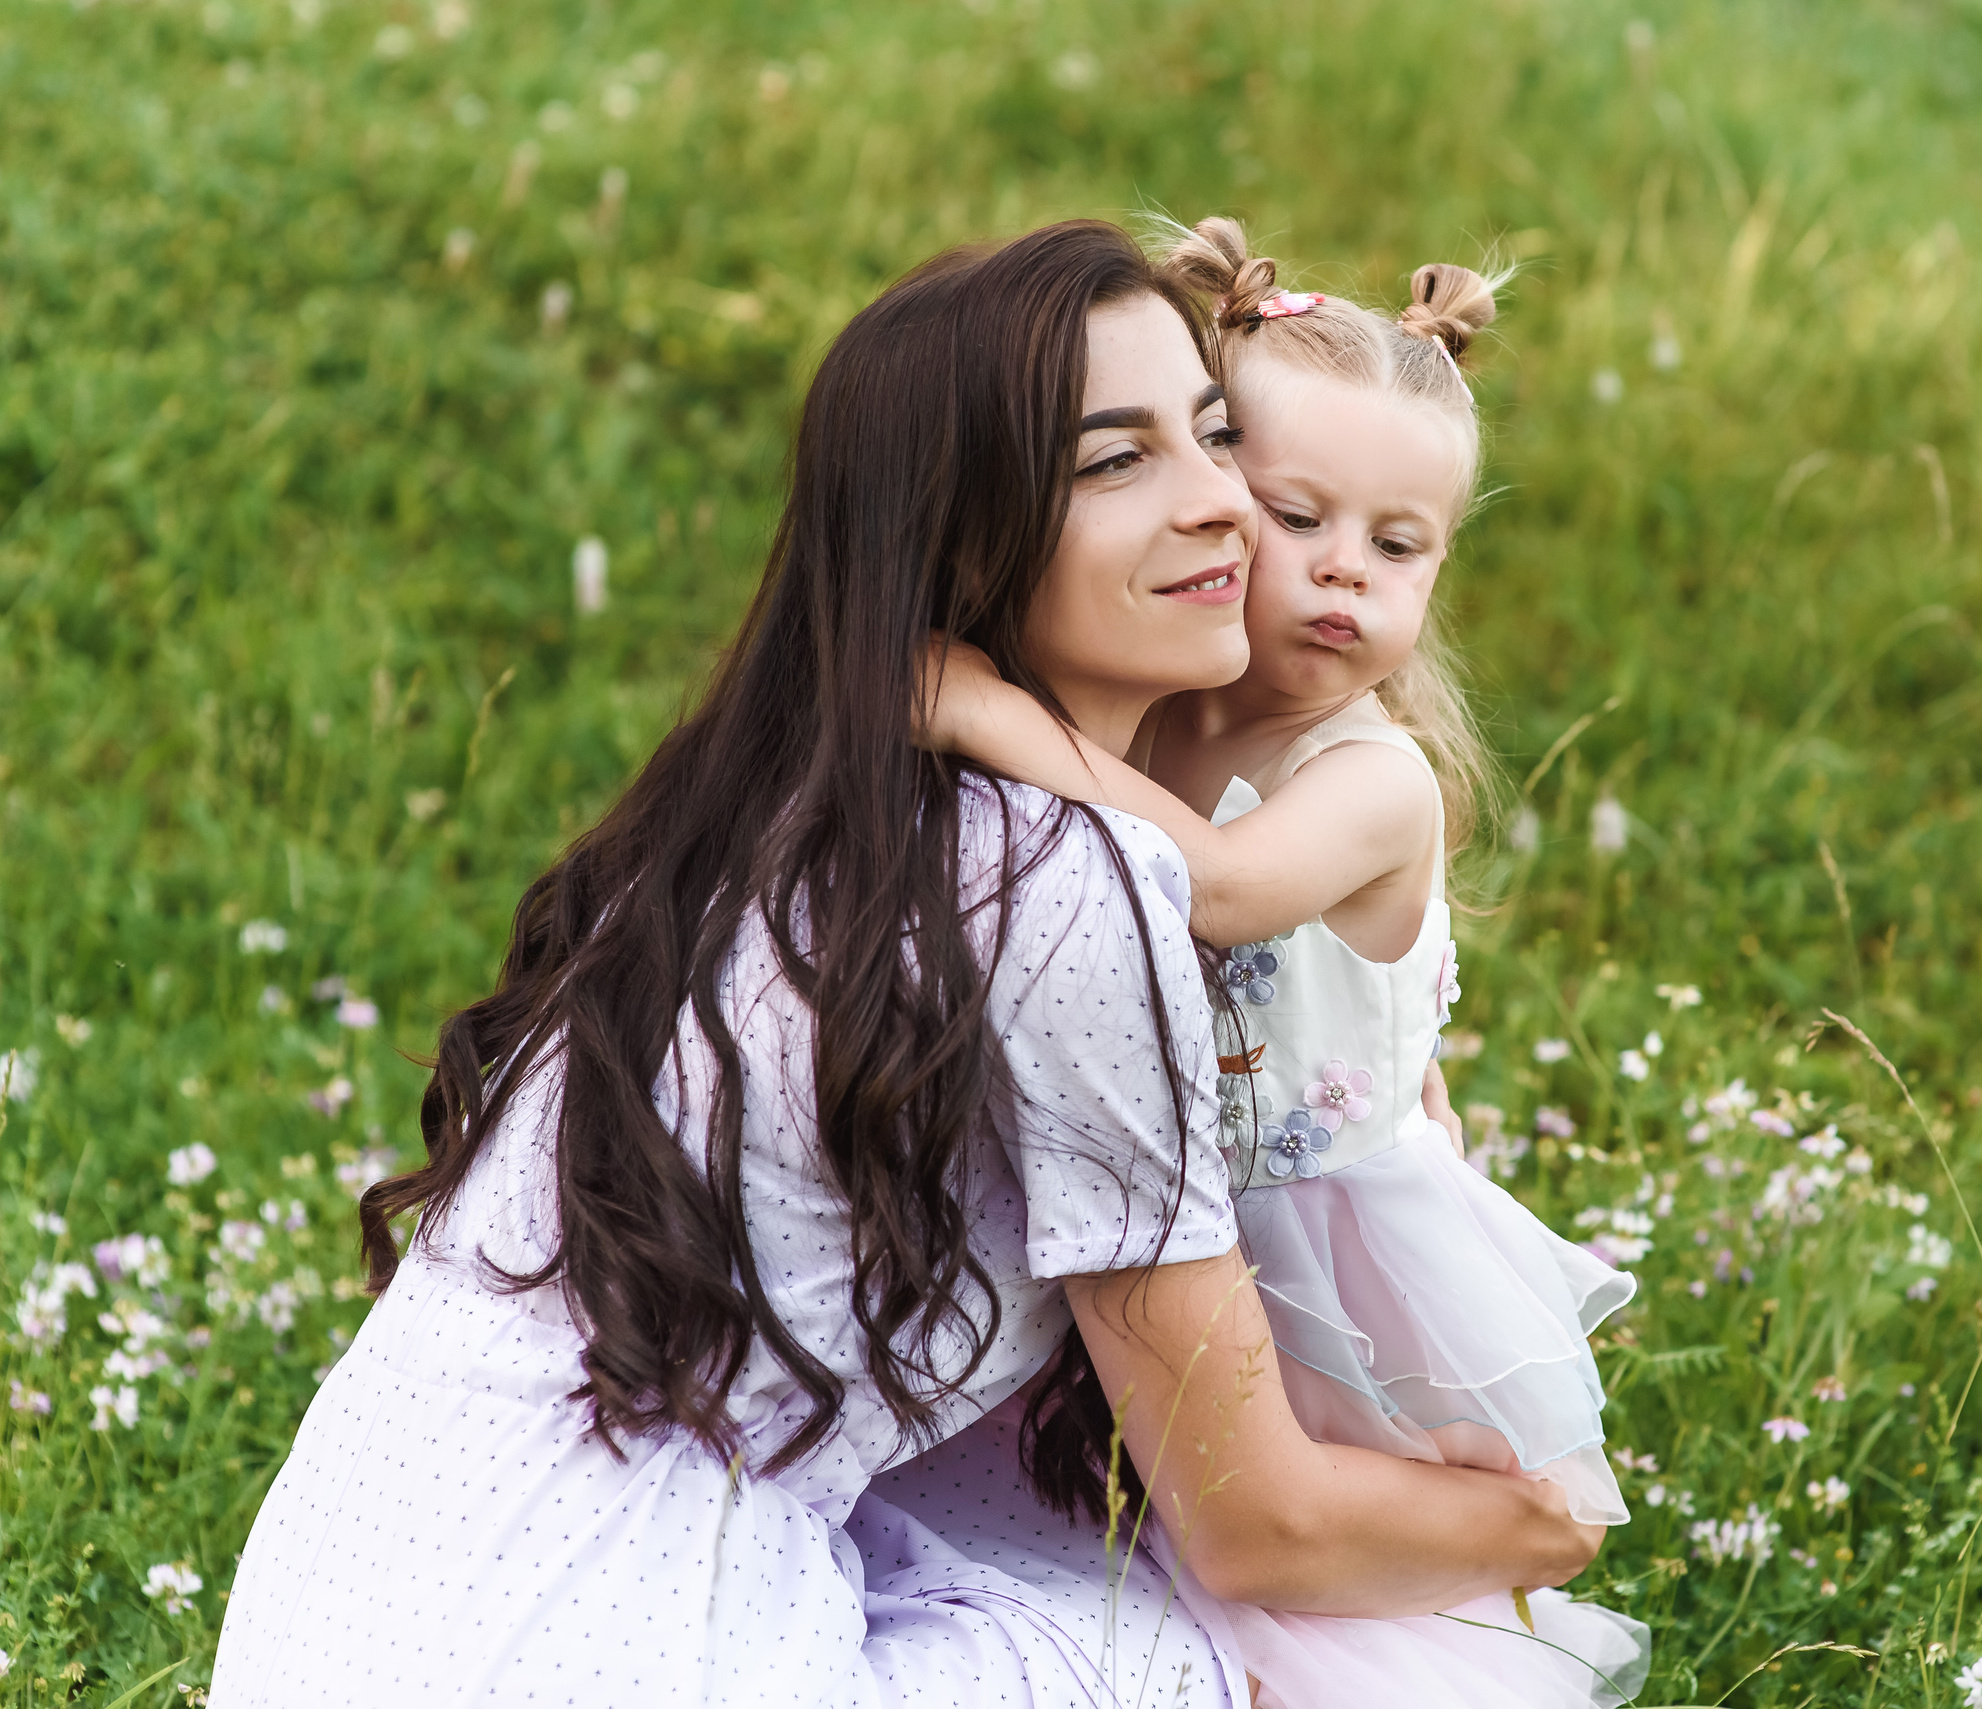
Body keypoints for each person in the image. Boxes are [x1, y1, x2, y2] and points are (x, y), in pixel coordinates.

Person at [206, 219, 1602, 1709]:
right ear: (965, 534)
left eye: (1213, 436)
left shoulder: (792, 799)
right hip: (635, 1637)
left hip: (336, 1619)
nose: (1221, 507)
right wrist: (1543, 1527)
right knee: (1254, 1668)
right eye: (1114, 462)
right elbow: (1259, 1526)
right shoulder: (1072, 884)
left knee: (1081, 1564)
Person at [923, 218, 1646, 1709]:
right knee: (1159, 1540)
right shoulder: (1154, 717)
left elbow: (1228, 888)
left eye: (1399, 546)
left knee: (1329, 1570)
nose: (1342, 575)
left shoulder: (1374, 776)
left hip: (1335, 1243)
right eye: (1295, 517)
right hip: (1190, 1219)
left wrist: (983, 711)